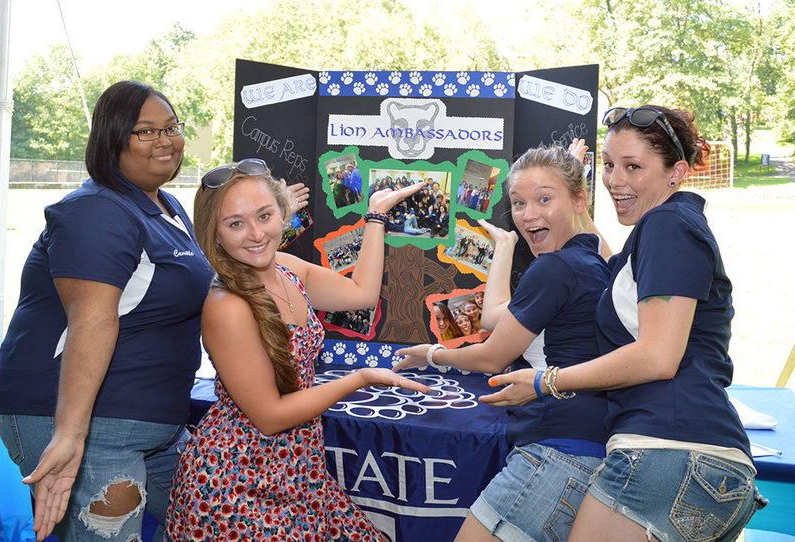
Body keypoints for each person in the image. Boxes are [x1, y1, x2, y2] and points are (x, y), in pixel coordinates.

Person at [481, 106, 763, 542]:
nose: (615, 181)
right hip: (695, 460)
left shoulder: (668, 226)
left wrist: (544, 382)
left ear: (677, 172)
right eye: (610, 166)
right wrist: (568, 190)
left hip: (668, 453)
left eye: (633, 167)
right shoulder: (659, 229)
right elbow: (605, 260)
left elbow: (657, 356)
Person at [0, 81, 214, 541]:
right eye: (145, 131)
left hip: (154, 423)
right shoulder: (95, 209)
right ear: (112, 139)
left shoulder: (167, 205)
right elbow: (92, 320)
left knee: (214, 520)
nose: (165, 141)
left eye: (171, 127)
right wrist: (71, 437)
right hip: (86, 421)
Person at [165, 160, 430, 540]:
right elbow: (271, 416)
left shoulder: (288, 268)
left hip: (298, 472)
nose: (256, 234)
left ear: (282, 214)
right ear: (216, 234)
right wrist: (361, 378)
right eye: (235, 223)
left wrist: (375, 215)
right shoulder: (228, 305)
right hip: (236, 485)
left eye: (264, 215)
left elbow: (362, 294)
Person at [393, 145, 611, 542]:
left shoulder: (555, 267)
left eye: (544, 199)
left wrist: (431, 354)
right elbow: (495, 316)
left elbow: (494, 357)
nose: (529, 214)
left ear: (579, 200)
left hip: (555, 455)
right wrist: (507, 246)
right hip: (588, 451)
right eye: (518, 203)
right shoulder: (590, 261)